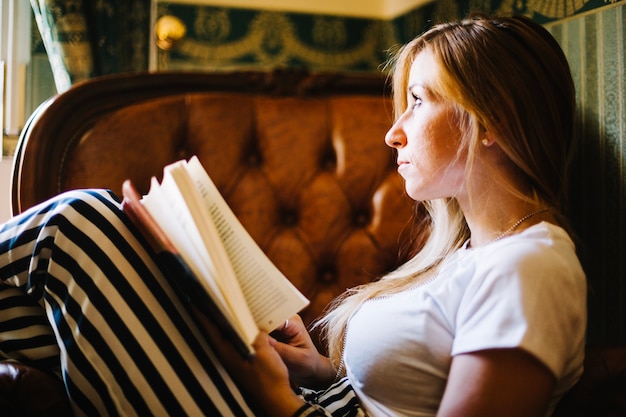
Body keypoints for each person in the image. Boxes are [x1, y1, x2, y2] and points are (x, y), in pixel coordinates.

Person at [0, 13, 586, 417]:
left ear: (496, 122)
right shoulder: (471, 259)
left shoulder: (531, 268)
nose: (393, 132)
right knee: (41, 317)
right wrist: (313, 372)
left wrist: (276, 400)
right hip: (308, 403)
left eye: (417, 101)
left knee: (77, 226)